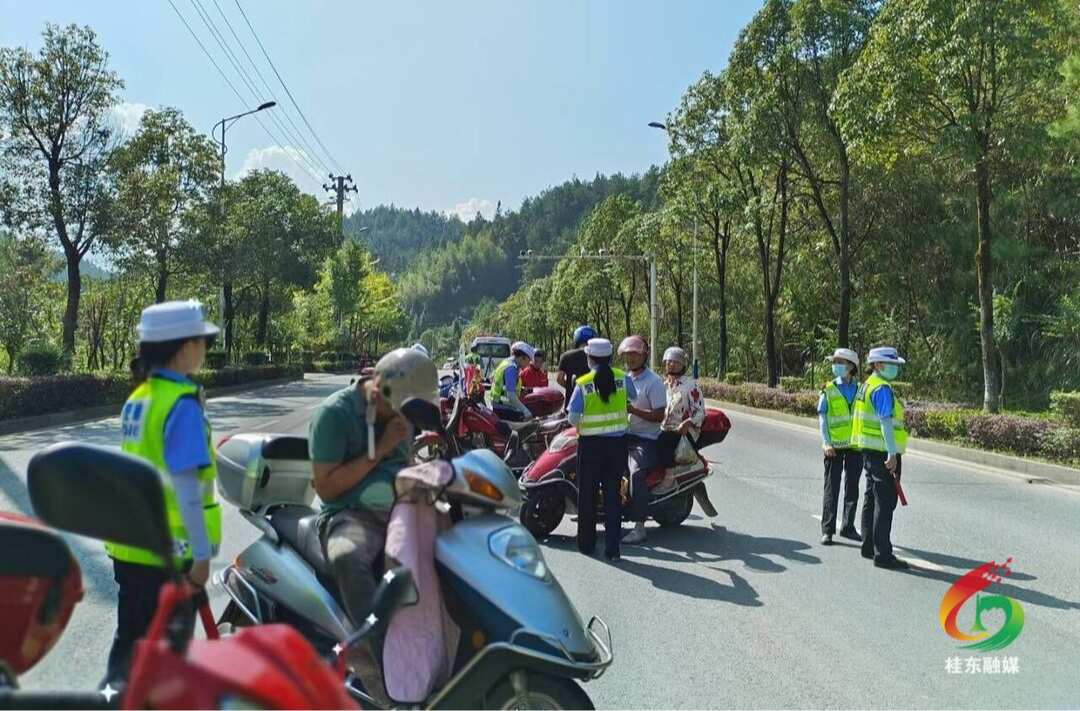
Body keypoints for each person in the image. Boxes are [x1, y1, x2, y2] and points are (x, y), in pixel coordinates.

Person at [308, 347, 438, 699]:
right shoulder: (334, 415)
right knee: (347, 555)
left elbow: (404, 461)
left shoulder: (401, 415)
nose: (404, 420)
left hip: (401, 508)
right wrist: (380, 448)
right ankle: (385, 665)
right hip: (349, 514)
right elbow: (325, 485)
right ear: (379, 390)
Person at [106, 300, 222, 687]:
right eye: (202, 340)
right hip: (172, 556)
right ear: (184, 346)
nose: (206, 348)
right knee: (166, 670)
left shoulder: (138, 399)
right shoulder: (181, 405)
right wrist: (202, 556)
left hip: (130, 549)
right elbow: (187, 489)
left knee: (128, 653)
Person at [567, 338, 636, 561]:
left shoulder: (583, 383)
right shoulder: (622, 378)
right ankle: (612, 549)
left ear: (590, 358)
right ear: (609, 357)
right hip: (617, 446)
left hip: (590, 446)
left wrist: (585, 427)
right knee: (612, 497)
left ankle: (587, 544)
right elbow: (633, 397)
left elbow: (573, 417)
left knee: (587, 496)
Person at [852, 346, 909, 570]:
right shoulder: (882, 388)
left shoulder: (866, 385)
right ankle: (883, 554)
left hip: (868, 449)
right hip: (883, 452)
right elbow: (885, 422)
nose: (895, 369)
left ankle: (868, 546)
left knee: (871, 497)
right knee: (885, 502)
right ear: (878, 365)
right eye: (892, 365)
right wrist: (892, 453)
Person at [618, 335, 666, 545]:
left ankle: (639, 526)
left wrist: (633, 410)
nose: (630, 358)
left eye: (635, 354)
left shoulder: (653, 382)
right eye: (627, 354)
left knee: (636, 472)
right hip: (623, 435)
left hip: (645, 439)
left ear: (644, 355)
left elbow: (659, 416)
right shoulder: (624, 378)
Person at [818, 348, 863, 546]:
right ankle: (828, 530)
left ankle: (848, 526)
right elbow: (823, 418)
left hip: (855, 446)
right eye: (834, 361)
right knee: (832, 488)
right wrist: (826, 442)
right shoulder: (828, 389)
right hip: (833, 447)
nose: (835, 365)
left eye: (840, 362)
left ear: (851, 366)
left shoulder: (861, 389)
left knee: (852, 488)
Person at [657, 346, 706, 473]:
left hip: (684, 431)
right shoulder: (664, 386)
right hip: (665, 429)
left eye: (675, 361)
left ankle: (668, 476)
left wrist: (686, 423)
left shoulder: (690, 385)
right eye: (668, 361)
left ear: (683, 365)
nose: (670, 364)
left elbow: (700, 412)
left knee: (663, 441)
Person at [489, 341, 536, 421]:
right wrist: (525, 411)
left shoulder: (505, 362)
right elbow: (511, 395)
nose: (528, 365)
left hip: (497, 406)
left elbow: (492, 378)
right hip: (505, 410)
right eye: (528, 361)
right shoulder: (511, 368)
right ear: (523, 357)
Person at [557, 325, 596, 412]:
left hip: (572, 405)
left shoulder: (566, 356)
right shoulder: (597, 357)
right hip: (591, 404)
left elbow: (559, 379)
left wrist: (571, 387)